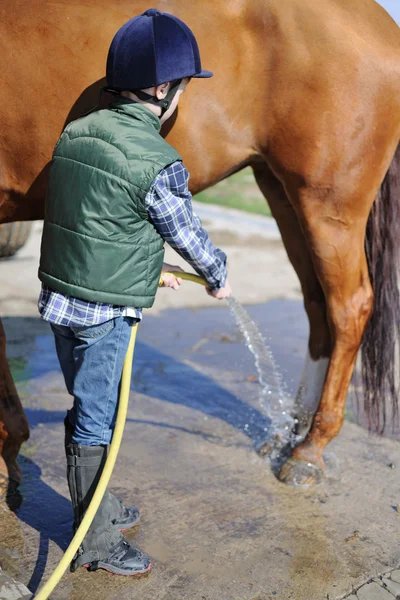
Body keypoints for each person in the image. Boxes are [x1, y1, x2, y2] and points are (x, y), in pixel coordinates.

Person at [37, 8, 231, 577]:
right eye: (184, 88)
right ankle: (92, 542)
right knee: (98, 419)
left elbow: (98, 224)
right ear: (165, 89)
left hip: (60, 299)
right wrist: (215, 274)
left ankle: (96, 506)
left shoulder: (76, 131)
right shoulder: (159, 161)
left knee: (87, 404)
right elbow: (187, 235)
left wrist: (151, 273)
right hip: (104, 314)